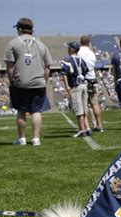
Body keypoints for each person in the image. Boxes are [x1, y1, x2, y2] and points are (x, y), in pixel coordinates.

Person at [6, 18, 53, 146]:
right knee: (36, 111)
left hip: (20, 82)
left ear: (20, 29)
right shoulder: (41, 44)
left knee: (21, 111)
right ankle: (35, 138)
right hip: (38, 82)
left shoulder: (12, 43)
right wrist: (44, 80)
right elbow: (48, 66)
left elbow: (10, 67)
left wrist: (11, 81)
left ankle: (21, 138)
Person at [61, 41, 90, 137]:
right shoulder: (82, 60)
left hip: (75, 86)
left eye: (69, 48)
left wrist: (67, 87)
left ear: (71, 49)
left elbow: (64, 73)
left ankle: (82, 129)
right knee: (84, 108)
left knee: (78, 109)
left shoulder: (67, 60)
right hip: (83, 84)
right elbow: (86, 71)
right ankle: (87, 127)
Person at [78, 35, 103, 132]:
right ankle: (99, 125)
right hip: (92, 79)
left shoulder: (79, 53)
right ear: (89, 43)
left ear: (81, 42)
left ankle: (86, 127)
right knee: (95, 104)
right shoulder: (92, 53)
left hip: (83, 80)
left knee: (84, 105)